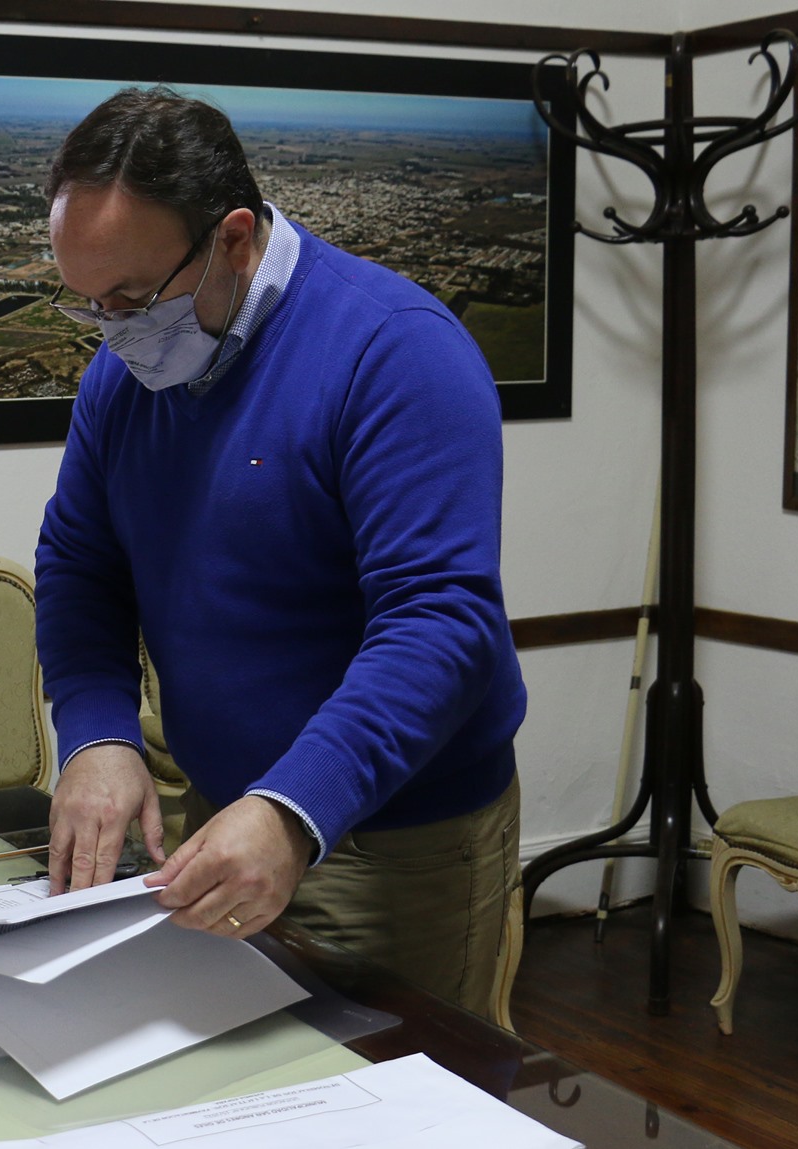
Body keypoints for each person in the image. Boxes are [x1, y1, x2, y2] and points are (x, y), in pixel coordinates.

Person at [34, 87, 528, 1015]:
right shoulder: (124, 375)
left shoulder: (396, 352)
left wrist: (296, 805)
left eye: (132, 299)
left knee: (380, 1077)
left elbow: (438, 625)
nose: (114, 331)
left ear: (232, 239)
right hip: (223, 812)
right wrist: (96, 732)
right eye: (91, 305)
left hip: (388, 837)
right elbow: (79, 566)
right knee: (218, 1074)